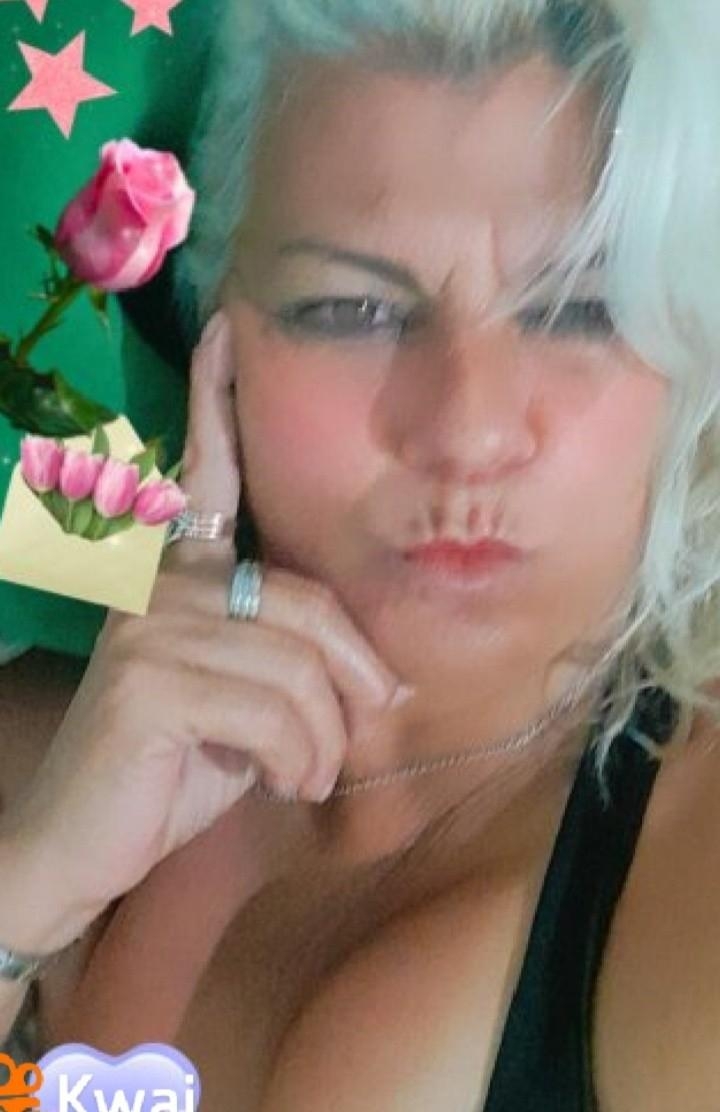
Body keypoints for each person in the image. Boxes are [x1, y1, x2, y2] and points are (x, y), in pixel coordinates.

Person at [2, 0, 720, 1107]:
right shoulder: (48, 753)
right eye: (354, 310)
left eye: (581, 310)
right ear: (213, 335)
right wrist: (31, 889)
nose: (468, 431)